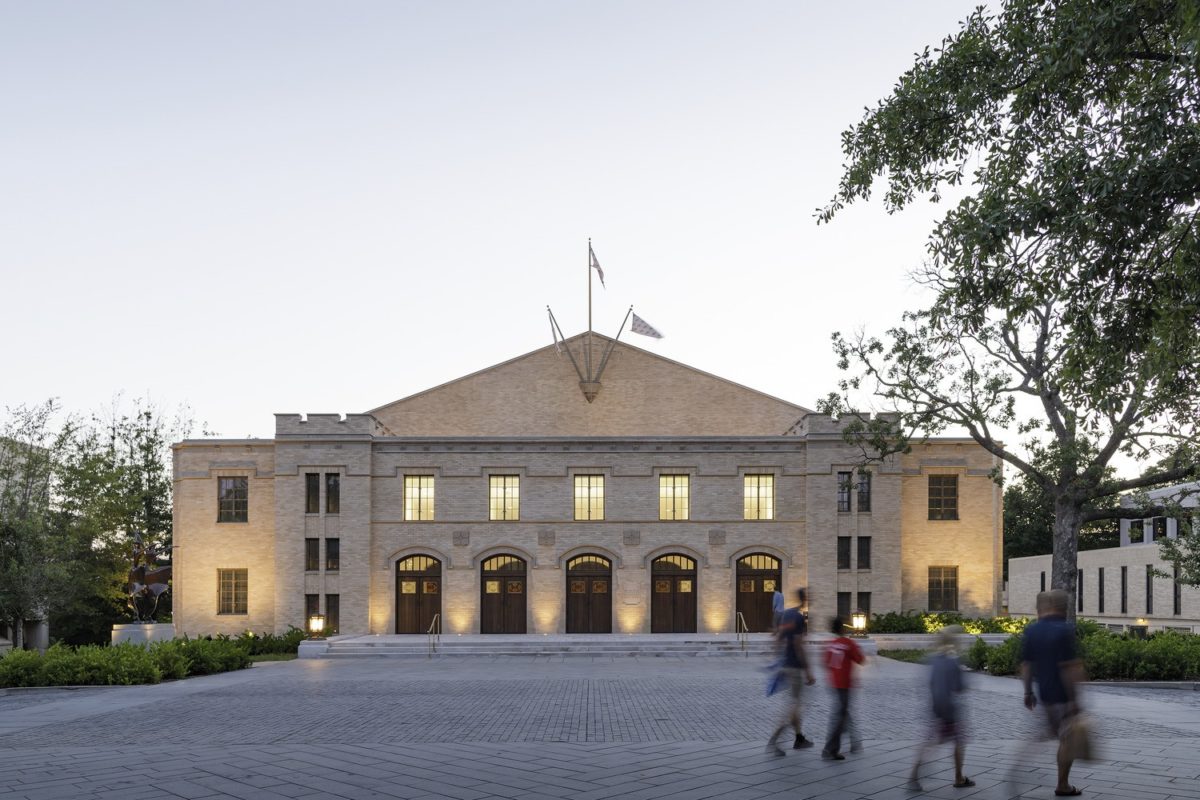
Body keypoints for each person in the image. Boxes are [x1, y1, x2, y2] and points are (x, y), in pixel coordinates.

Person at [1019, 589, 1087, 797]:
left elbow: (1026, 665)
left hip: (1044, 695)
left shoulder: (1032, 630)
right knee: (1066, 740)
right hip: (1062, 696)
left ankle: (1018, 767)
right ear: (1063, 607)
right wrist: (1075, 698)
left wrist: (1028, 692)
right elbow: (1070, 667)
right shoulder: (1064, 630)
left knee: (1048, 734)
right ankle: (1062, 784)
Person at [907, 625, 974, 791]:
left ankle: (914, 775)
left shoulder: (932, 659)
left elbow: (929, 683)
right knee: (959, 741)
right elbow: (960, 687)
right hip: (950, 709)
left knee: (930, 741)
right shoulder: (954, 662)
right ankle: (959, 777)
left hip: (936, 707)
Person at [767, 588, 816, 755]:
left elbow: (778, 637)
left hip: (785, 664)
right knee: (794, 706)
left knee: (795, 702)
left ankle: (799, 738)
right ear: (805, 598)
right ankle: (774, 740)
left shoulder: (787, 614)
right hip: (795, 666)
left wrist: (776, 660)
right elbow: (798, 644)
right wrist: (808, 670)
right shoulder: (799, 618)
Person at [822, 616, 864, 760]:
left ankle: (855, 743)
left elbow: (825, 662)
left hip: (834, 683)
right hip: (845, 684)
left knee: (843, 713)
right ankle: (830, 749)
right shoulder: (848, 643)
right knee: (840, 717)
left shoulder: (831, 644)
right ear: (843, 628)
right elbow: (860, 659)